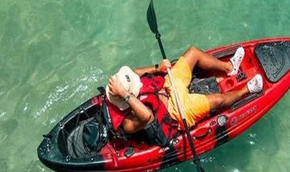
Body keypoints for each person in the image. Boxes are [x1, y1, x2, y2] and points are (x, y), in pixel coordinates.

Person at [106, 46, 263, 140]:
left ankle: (229, 67)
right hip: (176, 110)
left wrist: (157, 68)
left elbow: (136, 72)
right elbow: (147, 116)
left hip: (167, 85)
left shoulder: (125, 85)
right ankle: (246, 90)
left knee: (193, 52)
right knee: (218, 100)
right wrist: (125, 94)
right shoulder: (127, 124)